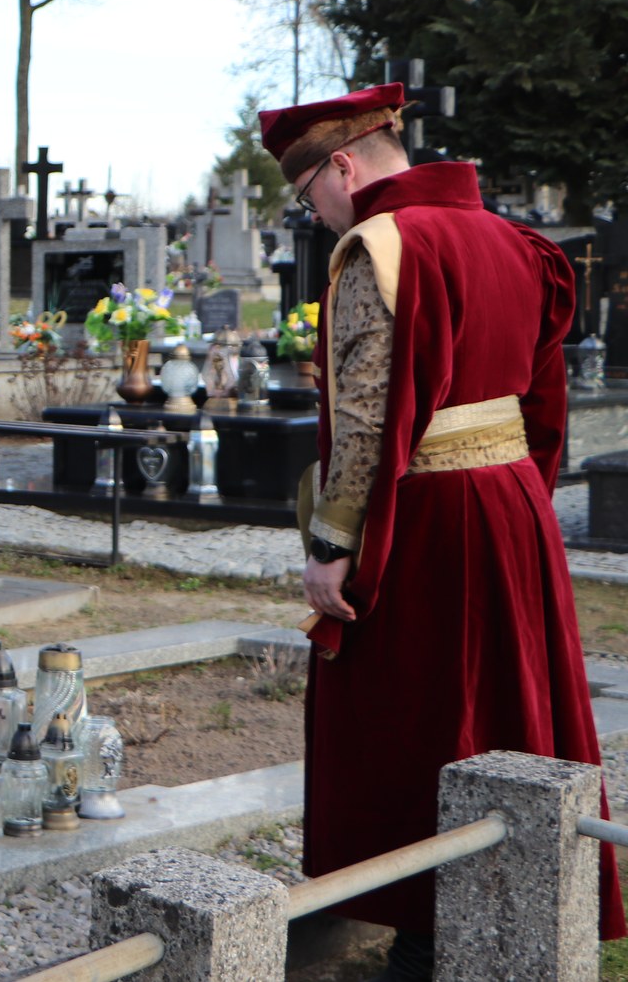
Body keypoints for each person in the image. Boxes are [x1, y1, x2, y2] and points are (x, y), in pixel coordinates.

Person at [261, 82, 623, 977]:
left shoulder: (380, 245)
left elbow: (367, 414)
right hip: (511, 502)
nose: (315, 215)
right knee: (507, 702)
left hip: (426, 514)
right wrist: (523, 497)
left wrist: (332, 546)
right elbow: (545, 401)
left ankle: (422, 921)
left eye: (309, 194)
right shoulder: (518, 243)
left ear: (343, 164)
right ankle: (517, 895)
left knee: (420, 712)